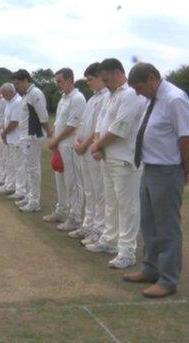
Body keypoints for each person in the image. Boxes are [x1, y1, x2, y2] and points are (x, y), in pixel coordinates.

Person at [123, 62, 189, 298]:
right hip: (149, 168)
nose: (137, 92)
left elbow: (186, 138)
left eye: (140, 87)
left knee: (167, 228)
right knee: (149, 224)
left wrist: (186, 169)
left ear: (153, 78)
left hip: (167, 171)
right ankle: (150, 269)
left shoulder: (175, 99)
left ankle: (168, 279)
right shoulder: (149, 99)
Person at [86, 58, 146, 269]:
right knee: (111, 202)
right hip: (108, 157)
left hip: (125, 159)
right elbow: (101, 126)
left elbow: (120, 128)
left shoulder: (130, 95)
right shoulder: (110, 96)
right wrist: (98, 145)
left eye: (105, 79)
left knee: (127, 206)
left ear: (116, 74)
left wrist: (95, 146)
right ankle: (110, 240)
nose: (104, 83)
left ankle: (127, 251)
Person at [44, 68, 86, 232]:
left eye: (60, 81)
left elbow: (72, 125)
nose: (57, 84)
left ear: (70, 79)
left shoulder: (78, 98)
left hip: (69, 146)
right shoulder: (63, 98)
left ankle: (75, 217)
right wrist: (54, 139)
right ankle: (61, 210)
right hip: (60, 146)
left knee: (73, 182)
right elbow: (58, 122)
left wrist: (56, 140)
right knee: (60, 180)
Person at [73, 63, 108, 244]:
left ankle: (99, 229)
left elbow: (97, 128)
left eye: (91, 80)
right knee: (89, 190)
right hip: (84, 150)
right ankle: (89, 225)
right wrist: (77, 140)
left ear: (101, 77)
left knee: (99, 192)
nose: (89, 84)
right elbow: (84, 123)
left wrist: (85, 144)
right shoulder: (93, 98)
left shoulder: (106, 97)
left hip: (93, 150)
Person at [12, 69, 51, 212]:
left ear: (25, 80)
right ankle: (30, 197)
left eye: (17, 84)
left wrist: (49, 133)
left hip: (32, 136)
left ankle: (34, 202)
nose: (17, 87)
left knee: (33, 170)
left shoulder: (35, 93)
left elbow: (43, 116)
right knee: (29, 169)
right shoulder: (27, 94)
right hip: (26, 137)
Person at [0, 82, 23, 196]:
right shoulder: (10, 102)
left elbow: (15, 122)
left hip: (17, 139)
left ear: (9, 92)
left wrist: (4, 133)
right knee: (11, 163)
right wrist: (5, 134)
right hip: (10, 138)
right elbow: (6, 120)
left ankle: (20, 190)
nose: (2, 96)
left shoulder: (18, 102)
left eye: (3, 94)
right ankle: (11, 185)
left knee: (19, 166)